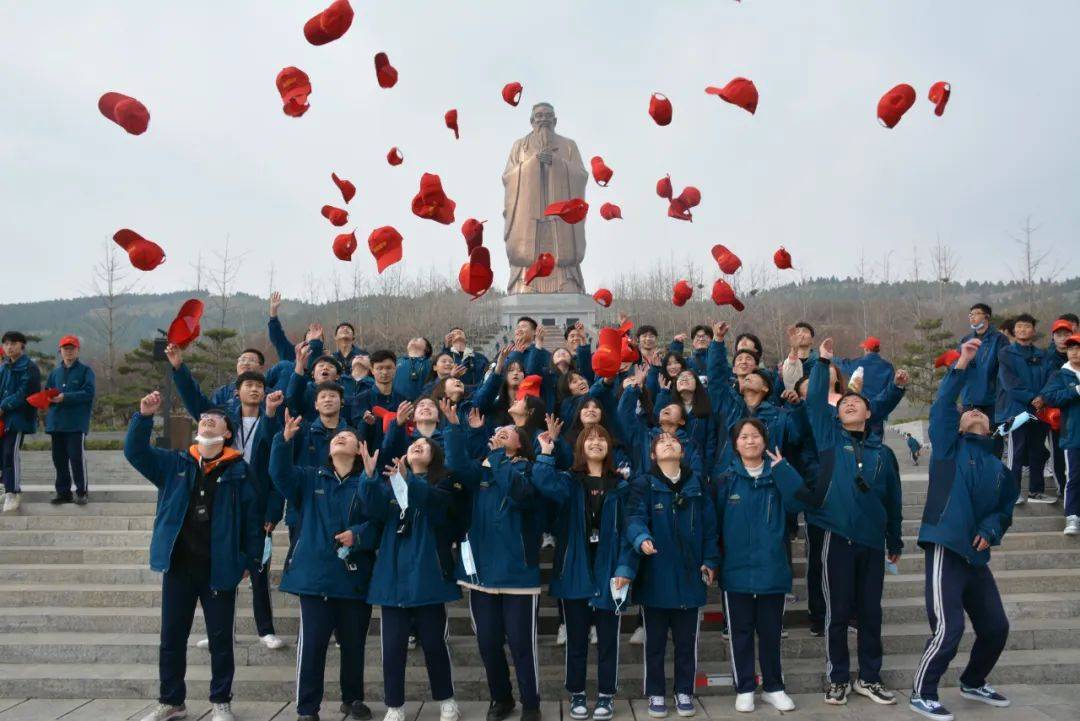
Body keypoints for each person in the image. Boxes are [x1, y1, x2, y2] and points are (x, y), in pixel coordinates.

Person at [124, 392, 262, 721]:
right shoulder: (175, 463)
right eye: (204, 418)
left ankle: (220, 701)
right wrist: (143, 418)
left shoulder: (240, 471)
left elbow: (253, 523)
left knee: (219, 640)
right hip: (178, 565)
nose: (208, 419)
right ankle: (172, 701)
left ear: (227, 433)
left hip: (219, 568)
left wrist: (247, 561)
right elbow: (136, 452)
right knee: (171, 637)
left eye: (216, 418)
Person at [909, 339, 1016, 720]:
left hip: (976, 554)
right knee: (948, 628)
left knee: (996, 626)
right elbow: (942, 407)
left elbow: (1004, 511)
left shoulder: (1001, 470)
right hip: (945, 545)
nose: (973, 413)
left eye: (979, 414)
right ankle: (923, 692)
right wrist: (962, 365)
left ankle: (973, 680)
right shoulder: (948, 449)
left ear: (990, 427)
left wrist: (991, 528)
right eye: (966, 412)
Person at [805, 338, 903, 706]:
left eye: (856, 403)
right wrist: (821, 362)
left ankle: (870, 678)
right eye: (844, 403)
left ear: (868, 414)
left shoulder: (883, 454)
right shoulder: (829, 439)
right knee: (837, 612)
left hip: (873, 542)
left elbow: (893, 501)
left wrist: (895, 541)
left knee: (871, 612)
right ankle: (838, 678)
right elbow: (816, 403)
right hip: (837, 538)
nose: (849, 404)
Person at [270, 414, 377, 721]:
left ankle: (352, 698)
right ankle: (307, 708)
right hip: (315, 576)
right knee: (313, 646)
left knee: (354, 645)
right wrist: (283, 441)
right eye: (335, 438)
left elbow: (380, 522)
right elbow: (279, 474)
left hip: (354, 576)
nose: (340, 438)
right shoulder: (309, 477)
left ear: (359, 450)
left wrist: (358, 535)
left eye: (348, 437)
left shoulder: (366, 482)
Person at [443, 406, 544, 721]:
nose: (499, 435)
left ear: (520, 443)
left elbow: (518, 492)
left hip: (518, 573)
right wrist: (454, 427)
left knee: (521, 644)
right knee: (487, 641)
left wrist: (498, 457)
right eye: (496, 433)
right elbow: (457, 464)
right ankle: (501, 698)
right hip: (481, 573)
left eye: (508, 432)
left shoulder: (530, 469)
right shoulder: (482, 469)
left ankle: (531, 704)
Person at [532, 425, 636, 721]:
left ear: (609, 447)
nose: (596, 442)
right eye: (589, 439)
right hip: (574, 570)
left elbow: (631, 530)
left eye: (602, 437)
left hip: (609, 571)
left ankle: (606, 695)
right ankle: (577, 693)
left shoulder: (622, 485)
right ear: (580, 447)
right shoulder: (569, 481)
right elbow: (543, 482)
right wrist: (547, 453)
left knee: (607, 640)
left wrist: (625, 567)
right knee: (576, 640)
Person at [359, 437, 462, 721]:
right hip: (392, 576)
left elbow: (435, 503)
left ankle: (446, 699)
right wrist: (368, 477)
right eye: (414, 442)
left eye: (425, 445)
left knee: (434, 644)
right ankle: (394, 705)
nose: (418, 445)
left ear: (435, 456)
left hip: (427, 575)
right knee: (392, 649)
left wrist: (408, 480)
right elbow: (373, 510)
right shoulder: (389, 482)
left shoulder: (443, 482)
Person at [713, 419, 806, 713]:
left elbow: (798, 504)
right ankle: (744, 687)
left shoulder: (777, 475)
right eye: (744, 437)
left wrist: (785, 470)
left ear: (764, 442)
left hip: (772, 568)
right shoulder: (725, 479)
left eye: (755, 436)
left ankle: (774, 687)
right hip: (736, 569)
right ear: (735, 443)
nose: (750, 441)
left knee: (770, 633)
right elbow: (713, 524)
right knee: (740, 632)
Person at [624, 432, 718, 719]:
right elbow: (634, 517)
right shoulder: (643, 484)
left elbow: (710, 527)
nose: (668, 443)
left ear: (682, 451)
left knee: (686, 642)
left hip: (690, 575)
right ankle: (655, 692)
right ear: (653, 455)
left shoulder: (697, 484)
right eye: (661, 442)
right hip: (656, 573)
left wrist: (710, 559)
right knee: (654, 643)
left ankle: (684, 690)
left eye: (673, 441)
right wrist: (640, 538)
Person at [996, 313, 1052, 504]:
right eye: (1019, 326)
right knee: (1016, 452)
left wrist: (1043, 397)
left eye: (1027, 326)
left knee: (1037, 450)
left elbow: (1051, 378)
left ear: (1033, 330)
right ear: (1014, 330)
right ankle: (1014, 492)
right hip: (1016, 410)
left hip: (1040, 410)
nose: (1022, 329)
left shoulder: (1042, 354)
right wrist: (1031, 397)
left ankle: (1037, 490)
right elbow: (1009, 382)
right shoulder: (1006, 353)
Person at [44, 335, 96, 505]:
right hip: (56, 424)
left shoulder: (85, 371)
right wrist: (46, 399)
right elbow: (47, 393)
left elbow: (88, 394)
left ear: (78, 350)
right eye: (65, 348)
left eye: (72, 348)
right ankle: (63, 492)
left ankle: (81, 492)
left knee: (76, 458)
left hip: (75, 424)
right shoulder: (55, 373)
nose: (68, 351)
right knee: (58, 460)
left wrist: (65, 397)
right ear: (60, 351)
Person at [1042, 333, 1080, 535]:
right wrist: (1075, 391)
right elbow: (1050, 397)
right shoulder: (1060, 374)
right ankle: (1072, 517)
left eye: (1078, 348)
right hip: (1073, 434)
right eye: (1071, 348)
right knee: (1073, 476)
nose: (1075, 352)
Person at [958, 304, 1007, 456]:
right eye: (970, 314)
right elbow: (958, 365)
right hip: (970, 398)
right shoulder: (966, 339)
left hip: (991, 399)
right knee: (969, 438)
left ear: (987, 317)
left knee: (993, 438)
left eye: (976, 313)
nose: (972, 316)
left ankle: (994, 472)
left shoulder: (999, 339)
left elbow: (1005, 368)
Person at [0, 330, 42, 513]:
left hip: (18, 418)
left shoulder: (29, 368)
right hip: (2, 418)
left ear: (22, 346)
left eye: (13, 343)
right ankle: (6, 486)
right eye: (6, 344)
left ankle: (13, 491)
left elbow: (24, 394)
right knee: (2, 454)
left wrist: (4, 406)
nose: (9, 347)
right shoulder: (4, 367)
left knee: (10, 453)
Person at [1044, 317, 1076, 497]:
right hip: (1056, 414)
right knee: (1057, 452)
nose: (1063, 338)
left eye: (1066, 334)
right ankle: (1063, 489)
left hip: (1075, 413)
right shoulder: (1046, 358)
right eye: (1059, 334)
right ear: (1053, 337)